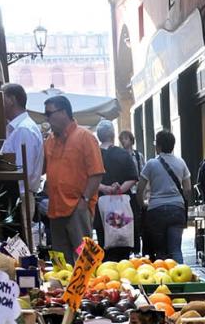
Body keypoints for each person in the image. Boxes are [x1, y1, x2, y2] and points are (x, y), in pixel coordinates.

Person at [42, 94, 105, 256]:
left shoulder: (85, 137)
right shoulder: (50, 140)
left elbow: (96, 173)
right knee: (61, 260)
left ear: (63, 113)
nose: (47, 118)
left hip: (77, 208)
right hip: (55, 209)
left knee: (83, 258)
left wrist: (84, 201)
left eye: (49, 114)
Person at [136, 129, 192, 262]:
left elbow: (140, 190)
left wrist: (143, 204)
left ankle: (163, 280)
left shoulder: (151, 164)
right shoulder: (181, 162)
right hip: (176, 209)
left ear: (159, 146)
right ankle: (181, 278)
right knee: (176, 249)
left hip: (156, 211)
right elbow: (188, 189)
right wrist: (181, 202)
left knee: (160, 251)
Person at [0, 82, 44, 238]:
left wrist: (15, 203)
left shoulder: (24, 129)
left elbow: (24, 170)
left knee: (20, 245)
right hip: (17, 198)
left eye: (2, 98)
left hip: (19, 198)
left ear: (11, 99)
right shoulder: (17, 128)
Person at [94, 120, 137, 251]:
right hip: (121, 204)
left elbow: (87, 178)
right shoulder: (123, 154)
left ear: (99, 136)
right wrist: (119, 190)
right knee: (122, 236)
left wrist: (104, 188)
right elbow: (133, 178)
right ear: (113, 135)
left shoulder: (94, 154)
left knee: (103, 239)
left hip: (100, 204)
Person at [119, 129, 144, 252]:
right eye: (122, 139)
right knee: (126, 220)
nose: (124, 141)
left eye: (126, 138)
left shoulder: (138, 156)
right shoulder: (120, 156)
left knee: (137, 220)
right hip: (125, 192)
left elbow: (143, 173)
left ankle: (136, 248)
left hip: (136, 192)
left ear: (131, 140)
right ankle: (128, 247)